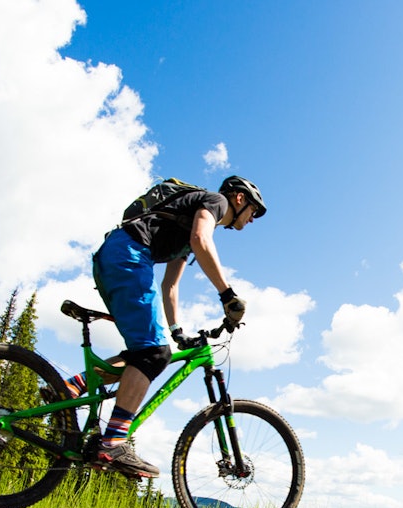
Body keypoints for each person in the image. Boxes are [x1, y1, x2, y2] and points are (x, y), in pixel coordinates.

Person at [64, 175, 267, 478]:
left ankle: (72, 386)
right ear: (239, 199)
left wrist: (176, 331)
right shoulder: (216, 201)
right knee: (153, 354)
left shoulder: (185, 228)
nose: (252, 220)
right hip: (129, 256)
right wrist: (228, 295)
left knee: (148, 352)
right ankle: (114, 442)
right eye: (254, 210)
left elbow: (170, 285)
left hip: (115, 256)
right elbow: (202, 240)